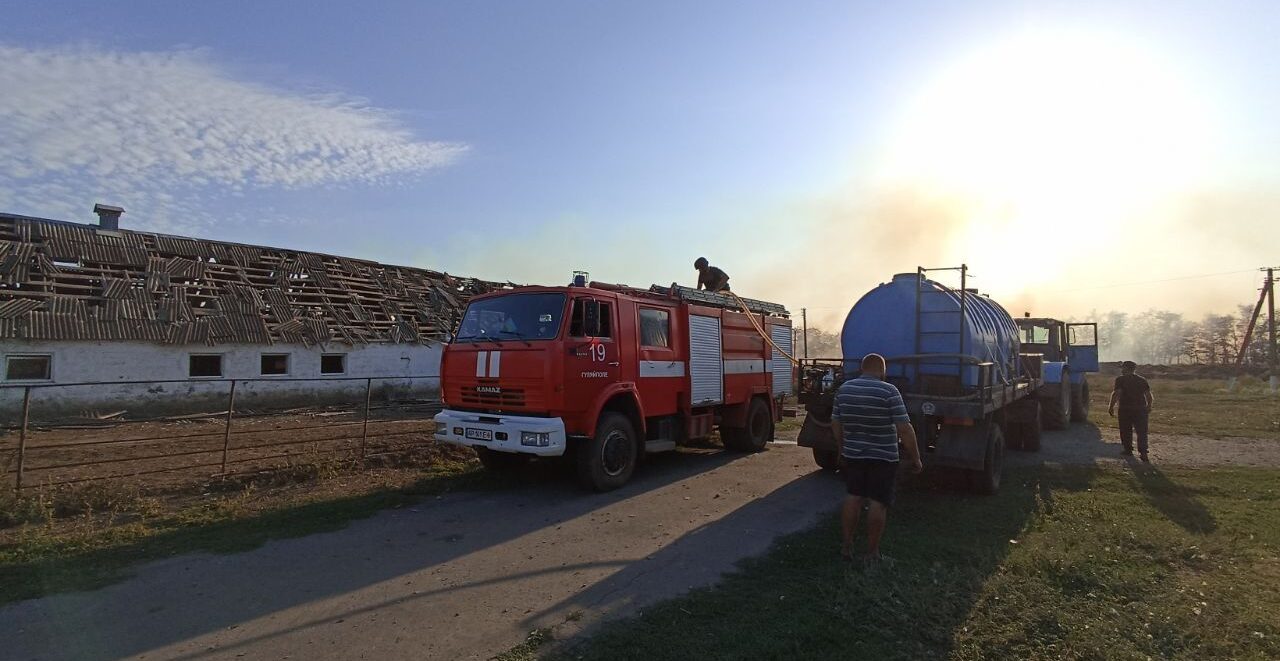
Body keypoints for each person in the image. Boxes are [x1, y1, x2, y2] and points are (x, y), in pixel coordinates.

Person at [830, 353, 923, 563]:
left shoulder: (844, 390)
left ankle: (847, 546)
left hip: (853, 455)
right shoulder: (889, 391)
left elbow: (835, 423)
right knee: (877, 502)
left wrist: (841, 448)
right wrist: (915, 457)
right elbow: (904, 429)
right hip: (883, 457)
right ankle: (871, 553)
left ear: (863, 368)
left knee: (853, 497)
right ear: (882, 370)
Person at [1109, 360, 1154, 462]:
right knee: (1142, 431)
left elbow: (1117, 393)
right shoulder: (1142, 380)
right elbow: (1148, 395)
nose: (1121, 370)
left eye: (1122, 368)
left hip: (1125, 408)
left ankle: (1128, 449)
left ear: (1126, 368)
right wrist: (1149, 406)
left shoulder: (1120, 380)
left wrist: (1111, 406)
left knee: (1125, 430)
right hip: (1141, 408)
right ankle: (1143, 452)